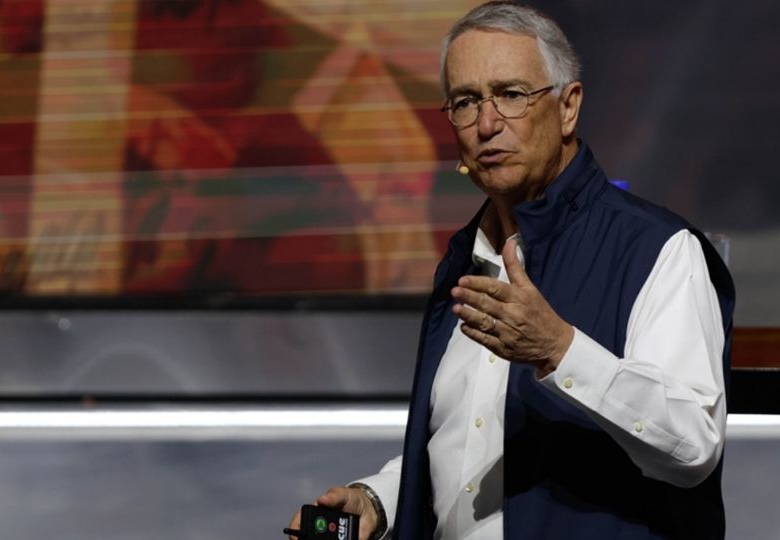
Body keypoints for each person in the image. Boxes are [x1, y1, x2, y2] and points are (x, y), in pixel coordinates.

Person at [289, 2, 734, 538]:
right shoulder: (465, 259)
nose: (486, 124)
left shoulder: (657, 249)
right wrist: (380, 500)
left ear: (568, 108)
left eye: (511, 95)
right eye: (465, 102)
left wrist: (559, 350)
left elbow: (694, 444)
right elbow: (473, 443)